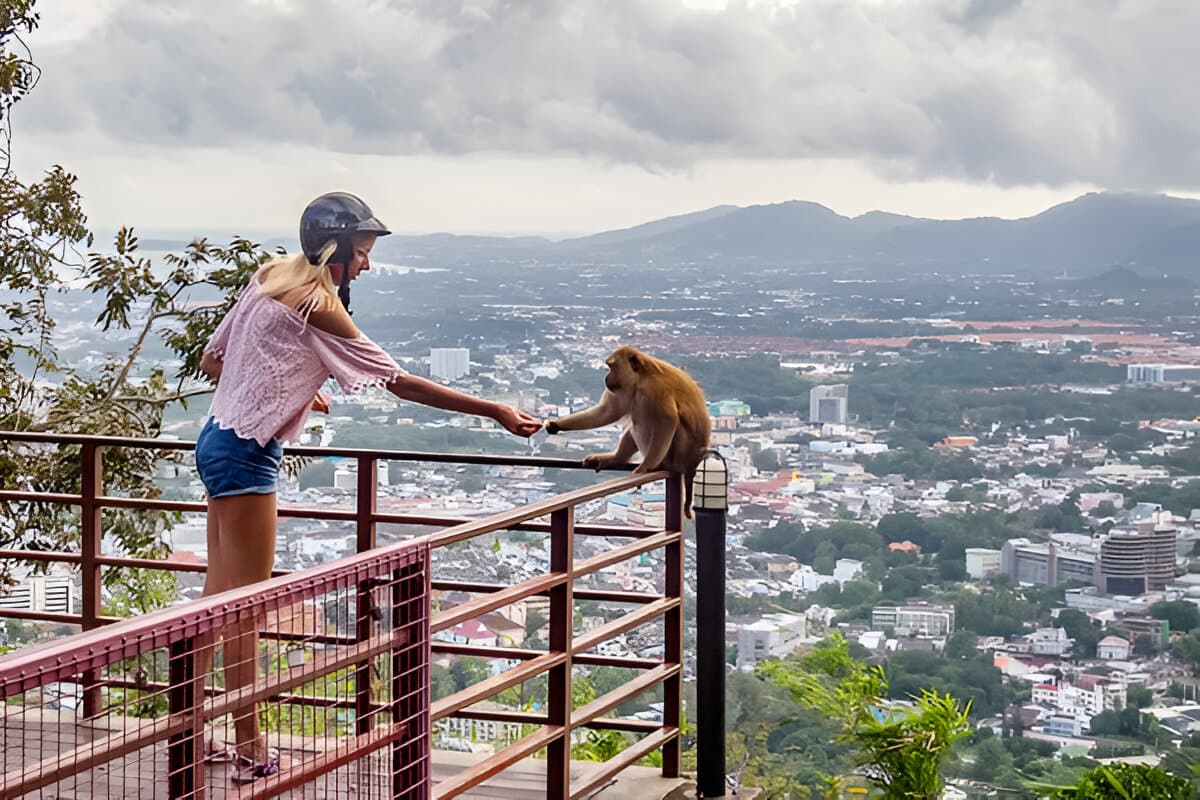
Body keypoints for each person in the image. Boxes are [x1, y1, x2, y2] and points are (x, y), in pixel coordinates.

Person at [194, 192, 540, 781]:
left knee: (217, 602)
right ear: (333, 251)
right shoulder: (315, 304)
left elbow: (214, 359)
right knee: (244, 610)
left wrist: (291, 386)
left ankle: (193, 727)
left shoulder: (269, 277)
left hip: (217, 441)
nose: (367, 266)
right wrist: (493, 411)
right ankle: (250, 747)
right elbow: (397, 381)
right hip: (249, 455)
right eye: (362, 253)